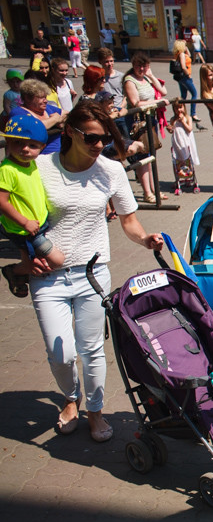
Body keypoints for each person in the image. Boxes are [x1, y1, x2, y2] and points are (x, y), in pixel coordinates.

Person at [32, 101, 164, 442]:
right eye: (91, 138)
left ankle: (95, 411)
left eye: (104, 139)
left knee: (91, 348)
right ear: (69, 133)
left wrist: (146, 239)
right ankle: (70, 398)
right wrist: (24, 255)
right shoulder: (40, 167)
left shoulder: (111, 171)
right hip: (48, 275)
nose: (98, 145)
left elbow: (129, 221)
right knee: (60, 352)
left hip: (91, 273)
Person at [0, 115, 66, 298]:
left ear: (42, 147)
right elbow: (1, 201)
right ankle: (14, 271)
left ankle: (21, 277)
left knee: (36, 262)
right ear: (8, 142)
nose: (25, 149)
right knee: (55, 260)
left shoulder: (31, 164)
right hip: (24, 229)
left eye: (32, 146)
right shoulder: (7, 170)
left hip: (36, 224)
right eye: (18, 143)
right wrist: (24, 222)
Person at [123, 53, 169, 202]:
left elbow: (164, 91)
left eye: (145, 66)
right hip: (138, 121)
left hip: (150, 119)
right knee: (143, 156)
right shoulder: (130, 81)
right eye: (139, 66)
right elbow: (136, 102)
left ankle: (155, 189)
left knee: (151, 156)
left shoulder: (146, 78)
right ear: (133, 66)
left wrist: (152, 75)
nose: (142, 69)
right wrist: (157, 103)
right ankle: (147, 192)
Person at [13, 79, 65, 155]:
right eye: (41, 98)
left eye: (45, 97)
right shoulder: (18, 112)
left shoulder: (48, 108)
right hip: (35, 158)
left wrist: (62, 121)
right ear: (27, 98)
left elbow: (68, 114)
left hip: (58, 156)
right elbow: (34, 127)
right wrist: (54, 120)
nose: (46, 101)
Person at [166, 101, 199, 195]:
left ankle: (191, 177)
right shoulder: (173, 119)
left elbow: (189, 129)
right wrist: (170, 129)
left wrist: (183, 122)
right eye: (176, 108)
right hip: (177, 143)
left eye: (181, 107)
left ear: (184, 107)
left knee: (188, 160)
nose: (179, 110)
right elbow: (173, 130)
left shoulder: (187, 118)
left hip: (186, 143)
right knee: (177, 161)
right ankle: (178, 179)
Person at [171, 39, 200, 123]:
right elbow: (183, 67)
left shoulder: (178, 54)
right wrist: (188, 75)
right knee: (194, 94)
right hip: (185, 77)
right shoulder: (182, 55)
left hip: (180, 78)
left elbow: (189, 55)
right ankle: (193, 114)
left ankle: (180, 112)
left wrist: (186, 47)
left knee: (183, 96)